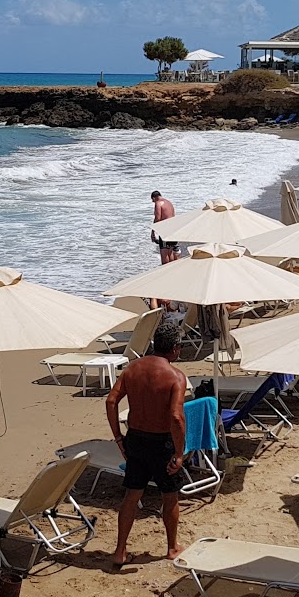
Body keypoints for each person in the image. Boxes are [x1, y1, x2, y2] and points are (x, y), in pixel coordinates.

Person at [105, 322, 188, 568]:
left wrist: (118, 437)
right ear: (174, 349)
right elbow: (175, 417)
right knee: (169, 495)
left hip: (136, 439)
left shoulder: (132, 369)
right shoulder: (176, 376)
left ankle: (120, 550)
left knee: (132, 495)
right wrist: (179, 452)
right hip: (161, 443)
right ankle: (172, 547)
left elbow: (111, 401)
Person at [151, 190, 178, 264]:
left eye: (153, 201)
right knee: (170, 252)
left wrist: (153, 232)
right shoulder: (169, 203)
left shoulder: (158, 203)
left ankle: (165, 271)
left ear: (154, 198)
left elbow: (158, 218)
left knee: (164, 253)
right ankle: (171, 271)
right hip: (173, 229)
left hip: (165, 230)